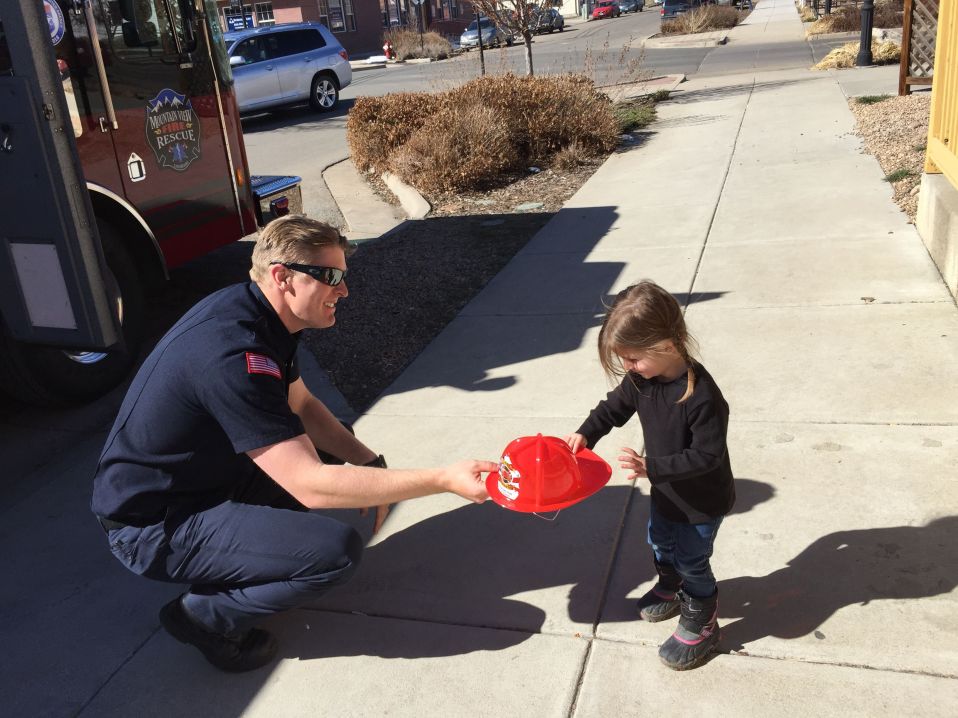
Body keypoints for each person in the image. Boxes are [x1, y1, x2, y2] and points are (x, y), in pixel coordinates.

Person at [91, 215, 495, 673]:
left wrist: (368, 462)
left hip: (201, 481)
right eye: (332, 277)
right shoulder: (233, 356)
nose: (344, 291)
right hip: (152, 526)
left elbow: (300, 403)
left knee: (332, 446)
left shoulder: (257, 314)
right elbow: (309, 485)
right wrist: (442, 479)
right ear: (283, 277)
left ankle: (254, 550)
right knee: (332, 553)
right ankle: (202, 618)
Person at [565, 281, 735, 671]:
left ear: (669, 344)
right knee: (659, 542)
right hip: (667, 492)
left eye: (634, 358)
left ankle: (703, 615)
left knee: (693, 559)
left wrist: (652, 468)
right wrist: (585, 434)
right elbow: (613, 408)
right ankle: (671, 588)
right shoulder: (642, 380)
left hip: (701, 500)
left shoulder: (702, 396)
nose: (629, 368)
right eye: (624, 359)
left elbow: (708, 455)